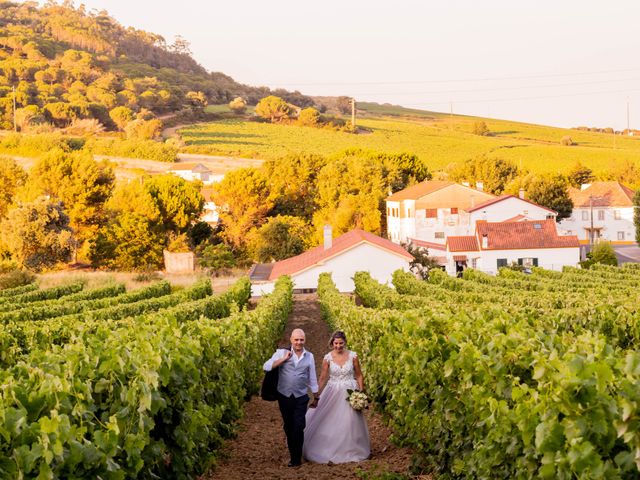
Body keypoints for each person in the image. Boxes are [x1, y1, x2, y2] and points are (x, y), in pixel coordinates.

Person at [303, 331, 371, 464]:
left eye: (341, 343)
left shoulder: (353, 356)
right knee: (330, 419)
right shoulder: (327, 358)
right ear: (332, 343)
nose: (338, 346)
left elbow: (359, 375)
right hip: (333, 391)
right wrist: (316, 393)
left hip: (350, 391)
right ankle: (330, 447)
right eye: (336, 343)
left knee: (350, 421)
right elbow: (323, 377)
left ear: (345, 343)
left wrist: (361, 391)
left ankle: (352, 449)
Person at [263, 328, 319, 467]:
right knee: (289, 426)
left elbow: (312, 378)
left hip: (301, 396)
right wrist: (283, 359)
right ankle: (293, 451)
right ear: (291, 340)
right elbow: (266, 366)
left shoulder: (309, 356)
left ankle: (296, 459)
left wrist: (316, 396)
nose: (299, 342)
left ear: (304, 340)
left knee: (299, 426)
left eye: (301, 340)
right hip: (284, 396)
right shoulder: (281, 353)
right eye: (296, 340)